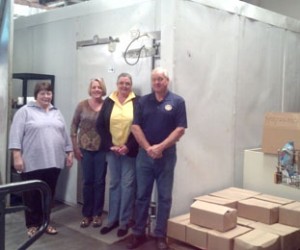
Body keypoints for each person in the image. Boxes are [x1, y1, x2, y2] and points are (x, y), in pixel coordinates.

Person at [127, 67, 187, 250]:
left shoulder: (177, 101)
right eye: (154, 79)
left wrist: (160, 147)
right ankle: (138, 233)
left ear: (167, 80)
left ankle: (160, 235)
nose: (157, 82)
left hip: (167, 156)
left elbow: (180, 129)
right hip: (144, 156)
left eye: (160, 79)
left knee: (164, 197)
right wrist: (148, 148)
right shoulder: (143, 101)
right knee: (141, 196)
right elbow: (135, 127)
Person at [9, 82, 73, 238]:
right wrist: (16, 156)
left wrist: (69, 151)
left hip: (54, 161)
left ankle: (45, 223)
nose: (46, 96)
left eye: (49, 93)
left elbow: (64, 133)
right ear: (36, 94)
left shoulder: (56, 112)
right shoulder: (25, 111)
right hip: (32, 161)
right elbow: (15, 135)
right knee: (31, 195)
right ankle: (32, 225)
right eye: (42, 93)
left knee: (48, 195)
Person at [96, 72, 139, 237]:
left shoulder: (137, 101)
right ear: (117, 84)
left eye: (127, 83)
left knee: (127, 186)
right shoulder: (109, 101)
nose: (124, 86)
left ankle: (124, 222)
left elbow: (139, 126)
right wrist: (110, 145)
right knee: (114, 185)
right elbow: (100, 125)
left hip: (129, 152)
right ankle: (111, 220)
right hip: (112, 151)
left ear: (131, 85)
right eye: (121, 83)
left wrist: (128, 146)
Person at [71, 78, 108, 228]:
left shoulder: (107, 105)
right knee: (87, 182)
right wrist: (75, 148)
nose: (97, 90)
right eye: (94, 87)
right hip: (85, 150)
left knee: (100, 182)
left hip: (101, 150)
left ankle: (97, 214)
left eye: (99, 87)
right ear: (90, 89)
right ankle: (86, 214)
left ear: (103, 89)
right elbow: (74, 126)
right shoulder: (82, 105)